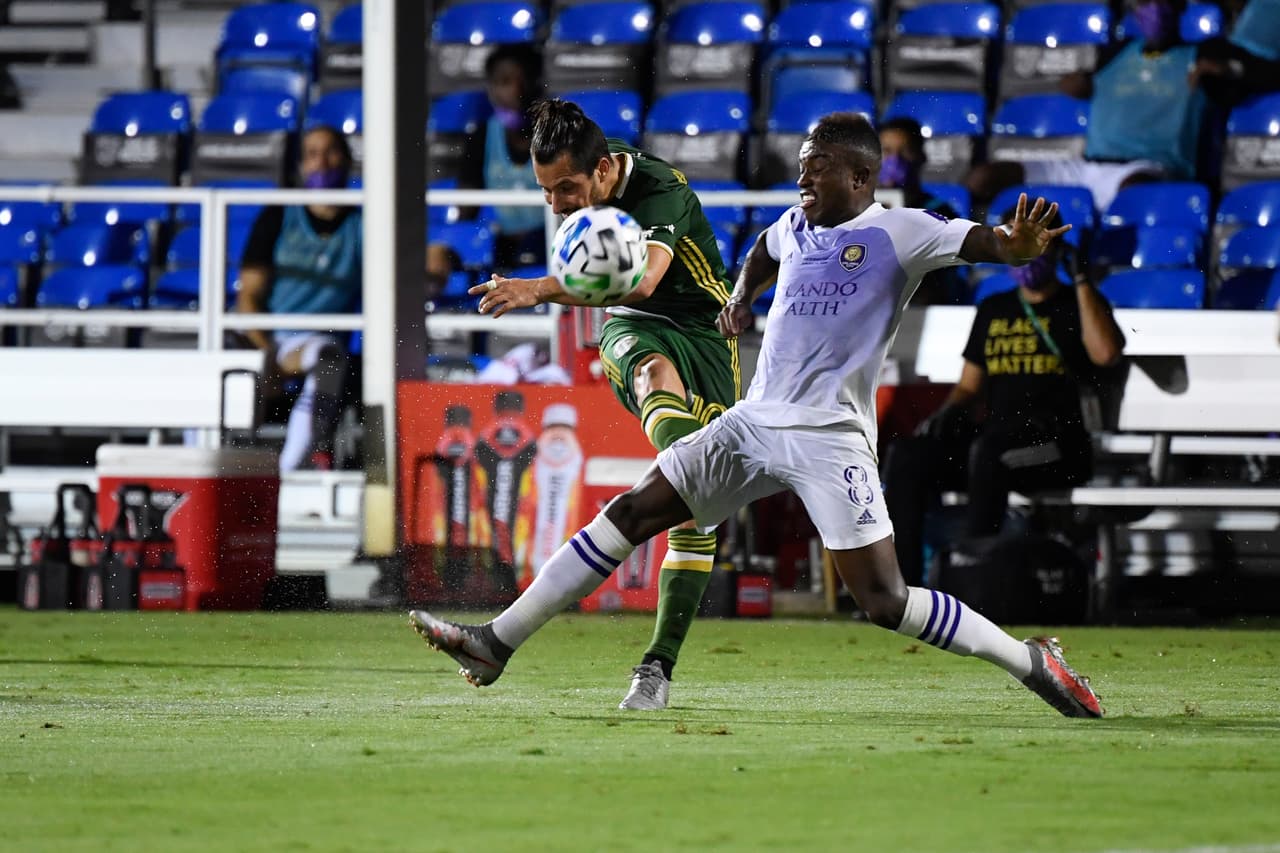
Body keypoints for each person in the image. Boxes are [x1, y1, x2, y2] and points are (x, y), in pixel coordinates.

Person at [409, 112, 1105, 719]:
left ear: (862, 177)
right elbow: (763, 250)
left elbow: (983, 242)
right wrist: (740, 297)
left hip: (830, 436)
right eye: (801, 168)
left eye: (818, 169)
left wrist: (1014, 246)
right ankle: (497, 641)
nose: (803, 181)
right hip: (752, 423)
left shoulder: (904, 231)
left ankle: (1029, 658)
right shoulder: (795, 224)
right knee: (633, 511)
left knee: (885, 600)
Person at [422, 98, 742, 712]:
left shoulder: (659, 189)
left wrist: (535, 289)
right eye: (545, 192)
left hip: (708, 336)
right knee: (650, 373)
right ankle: (694, 472)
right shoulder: (585, 193)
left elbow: (646, 277)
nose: (557, 205)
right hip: (634, 326)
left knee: (693, 521)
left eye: (565, 188)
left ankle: (656, 667)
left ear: (601, 171)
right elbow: (633, 298)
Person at [881, 209, 1126, 587]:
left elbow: (1106, 354)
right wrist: (944, 416)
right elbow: (968, 387)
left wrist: (1080, 280)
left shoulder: (1076, 306)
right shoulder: (995, 308)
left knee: (990, 453)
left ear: (1055, 249)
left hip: (1057, 445)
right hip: (994, 443)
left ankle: (975, 579)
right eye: (1013, 243)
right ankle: (901, 588)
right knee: (908, 458)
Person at [967, 0, 1208, 213]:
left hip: (1147, 167)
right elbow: (1078, 83)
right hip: (1086, 166)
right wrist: (1076, 83)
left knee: (1133, 193)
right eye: (1145, 2)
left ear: (1181, 5)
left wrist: (1218, 72)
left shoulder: (1201, 55)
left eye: (1162, 1)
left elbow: (1239, 70)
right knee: (983, 179)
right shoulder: (1118, 51)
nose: (1154, 9)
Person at [237, 124, 361, 472]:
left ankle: (287, 474)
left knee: (327, 356)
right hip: (266, 337)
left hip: (316, 342)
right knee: (212, 357)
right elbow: (248, 296)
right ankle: (202, 467)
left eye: (331, 151)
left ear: (348, 161)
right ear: (301, 165)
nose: (321, 162)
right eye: (311, 153)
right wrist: (268, 357)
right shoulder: (278, 214)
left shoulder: (363, 222)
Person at [878, 116, 965, 305]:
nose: (895, 160)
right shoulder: (858, 210)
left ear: (921, 156)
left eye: (905, 151)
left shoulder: (941, 212)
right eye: (887, 151)